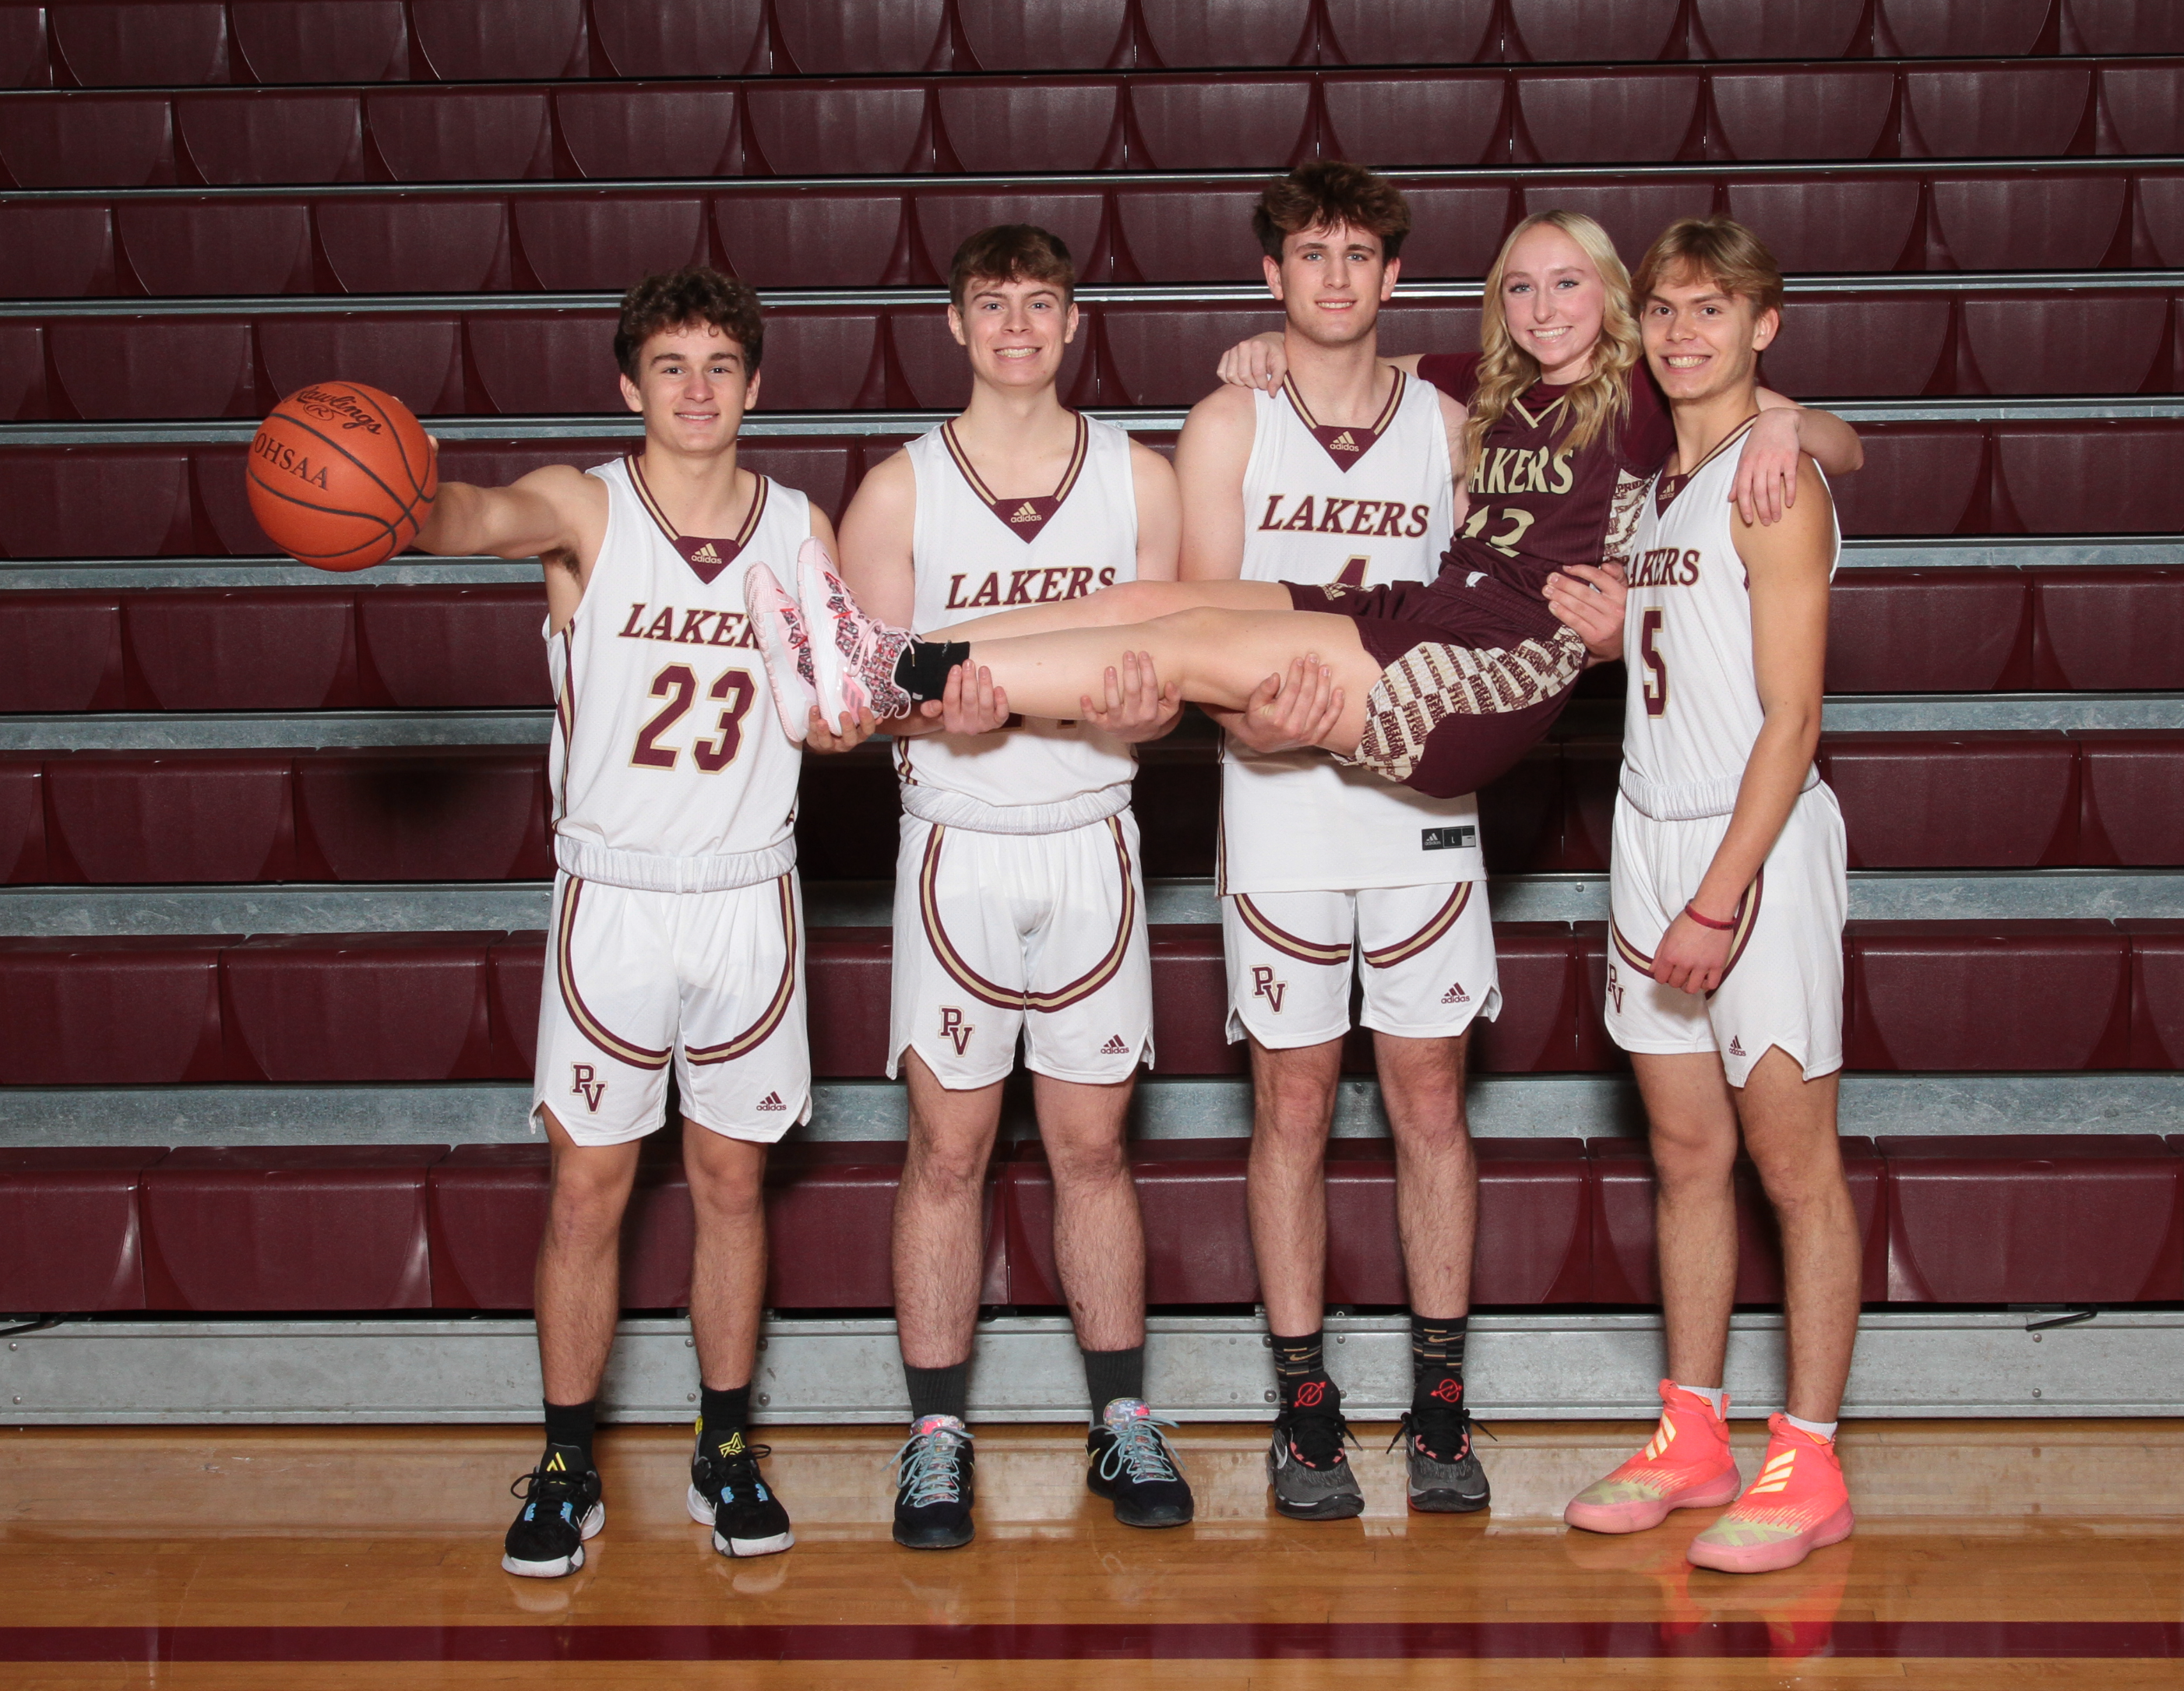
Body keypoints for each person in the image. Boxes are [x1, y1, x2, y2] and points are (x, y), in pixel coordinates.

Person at [746, 211, 1861, 815]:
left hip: (1497, 667)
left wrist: (1784, 421)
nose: (1542, 305)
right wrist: (1287, 342)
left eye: (1568, 283)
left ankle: (888, 674)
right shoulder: (1491, 379)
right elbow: (1365, 352)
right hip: (1433, 607)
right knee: (1149, 600)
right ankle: (877, 653)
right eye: (1520, 286)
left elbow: (1845, 445)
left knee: (1179, 651)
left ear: (1612, 297)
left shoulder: (1647, 389)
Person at [410, 268, 822, 1577]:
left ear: (754, 387)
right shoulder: (583, 506)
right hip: (618, 900)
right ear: (627, 385)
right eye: (670, 366)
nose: (695, 389)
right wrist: (396, 501)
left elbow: (842, 686)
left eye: (718, 365)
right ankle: (566, 1457)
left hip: (752, 891)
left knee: (730, 1185)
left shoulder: (800, 525)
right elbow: (470, 516)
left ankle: (726, 1444)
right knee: (588, 1195)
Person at [815, 224, 1195, 1549]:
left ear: (1074, 321)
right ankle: (934, 1434)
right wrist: (938, 721)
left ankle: (1122, 1416)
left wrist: (1150, 712)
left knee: (1093, 1148)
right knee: (949, 1151)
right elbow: (862, 694)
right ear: (958, 325)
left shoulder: (1141, 481)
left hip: (1092, 834)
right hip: (957, 846)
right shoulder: (899, 491)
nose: (1018, 325)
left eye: (1041, 303)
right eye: (995, 304)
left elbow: (1171, 683)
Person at [1171, 163, 1498, 1520]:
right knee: (1292, 1107)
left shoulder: (1454, 424)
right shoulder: (1227, 422)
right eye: (1312, 254)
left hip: (1421, 805)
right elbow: (1197, 630)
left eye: (1361, 253)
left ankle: (1437, 1403)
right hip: (1281, 806)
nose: (1338, 276)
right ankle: (1304, 1405)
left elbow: (1491, 609)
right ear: (1273, 276)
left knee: (1429, 1100)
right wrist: (1250, 716)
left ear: (1395, 277)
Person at [1553, 218, 1859, 1575]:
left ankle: (1813, 1457)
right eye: (1666, 312)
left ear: (1762, 328)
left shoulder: (1773, 474)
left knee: (1796, 1171)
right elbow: (1701, 660)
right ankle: (1694, 1434)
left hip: (1758, 852)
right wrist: (1632, 637)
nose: (1684, 334)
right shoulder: (1666, 487)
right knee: (1687, 1158)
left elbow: (1791, 718)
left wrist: (1721, 898)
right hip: (1652, 836)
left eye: (1712, 311)